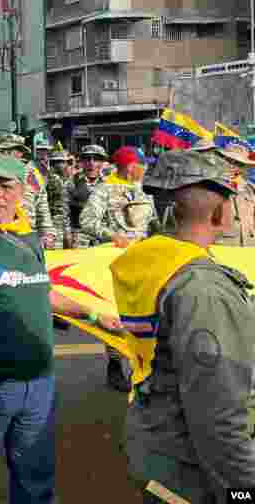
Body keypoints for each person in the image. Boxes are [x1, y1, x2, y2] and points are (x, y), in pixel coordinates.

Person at [0, 155, 122, 504]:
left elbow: (43, 290)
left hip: (38, 385)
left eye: (5, 187)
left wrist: (95, 315)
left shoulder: (28, 238)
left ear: (22, 191)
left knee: (35, 482)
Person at [110, 150, 255, 502]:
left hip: (159, 446)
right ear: (221, 213)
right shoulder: (202, 288)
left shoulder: (152, 264)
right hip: (193, 473)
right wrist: (243, 489)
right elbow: (219, 411)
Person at [81, 145, 158, 392]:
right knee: (116, 313)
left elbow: (154, 222)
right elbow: (87, 221)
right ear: (131, 165)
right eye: (141, 164)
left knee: (146, 313)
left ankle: (144, 367)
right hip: (116, 262)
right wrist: (112, 236)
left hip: (145, 261)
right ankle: (115, 364)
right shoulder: (104, 189)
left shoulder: (145, 190)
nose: (144, 169)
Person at [63, 144, 108, 248]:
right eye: (87, 159)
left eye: (96, 159)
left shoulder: (109, 183)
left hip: (104, 235)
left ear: (102, 162)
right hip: (80, 237)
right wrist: (67, 234)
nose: (91, 163)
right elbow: (64, 212)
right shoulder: (72, 183)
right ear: (82, 162)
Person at [45, 148, 72, 248]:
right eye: (59, 162)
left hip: (68, 222)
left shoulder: (67, 179)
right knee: (57, 249)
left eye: (65, 162)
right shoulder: (52, 179)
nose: (63, 165)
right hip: (55, 221)